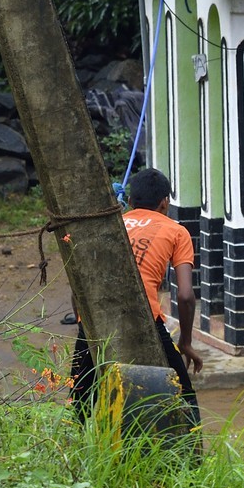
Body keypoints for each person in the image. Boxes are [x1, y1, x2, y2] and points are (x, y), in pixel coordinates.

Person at [69, 168, 202, 419]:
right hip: (146, 318)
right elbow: (185, 295)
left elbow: (79, 288)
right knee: (184, 396)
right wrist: (185, 342)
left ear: (129, 201)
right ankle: (192, 457)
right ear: (165, 203)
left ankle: (78, 454)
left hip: (94, 319)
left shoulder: (110, 224)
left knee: (80, 400)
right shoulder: (176, 231)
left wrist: (83, 325)